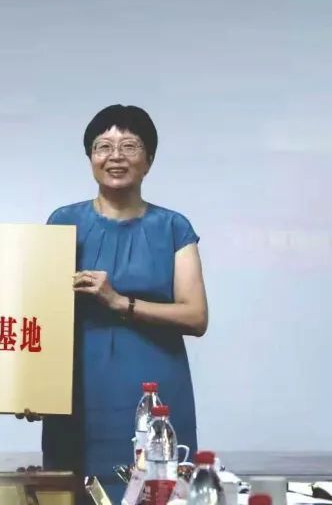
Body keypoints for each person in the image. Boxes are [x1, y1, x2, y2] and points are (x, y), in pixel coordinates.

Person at [34, 104, 209, 502]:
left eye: (129, 146)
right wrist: (32, 385)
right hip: (78, 388)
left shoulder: (173, 227)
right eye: (103, 146)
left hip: (154, 391)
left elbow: (196, 315)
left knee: (156, 491)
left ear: (149, 160)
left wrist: (119, 302)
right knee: (73, 492)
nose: (115, 156)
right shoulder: (63, 222)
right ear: (90, 158)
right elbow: (42, 311)